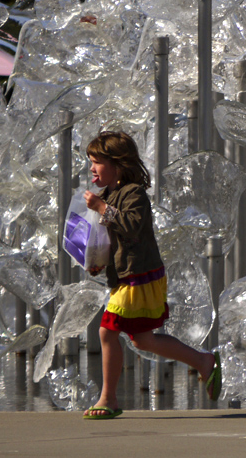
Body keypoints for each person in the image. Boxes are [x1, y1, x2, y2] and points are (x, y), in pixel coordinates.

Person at [82, 130, 222, 420]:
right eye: (90, 161)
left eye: (97, 162)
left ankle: (108, 398)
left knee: (107, 330)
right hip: (126, 276)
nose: (91, 168)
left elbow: (131, 226)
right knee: (144, 340)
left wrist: (102, 208)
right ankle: (204, 361)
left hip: (139, 277)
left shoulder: (133, 194)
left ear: (118, 165)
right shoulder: (107, 195)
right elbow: (113, 239)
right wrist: (97, 261)